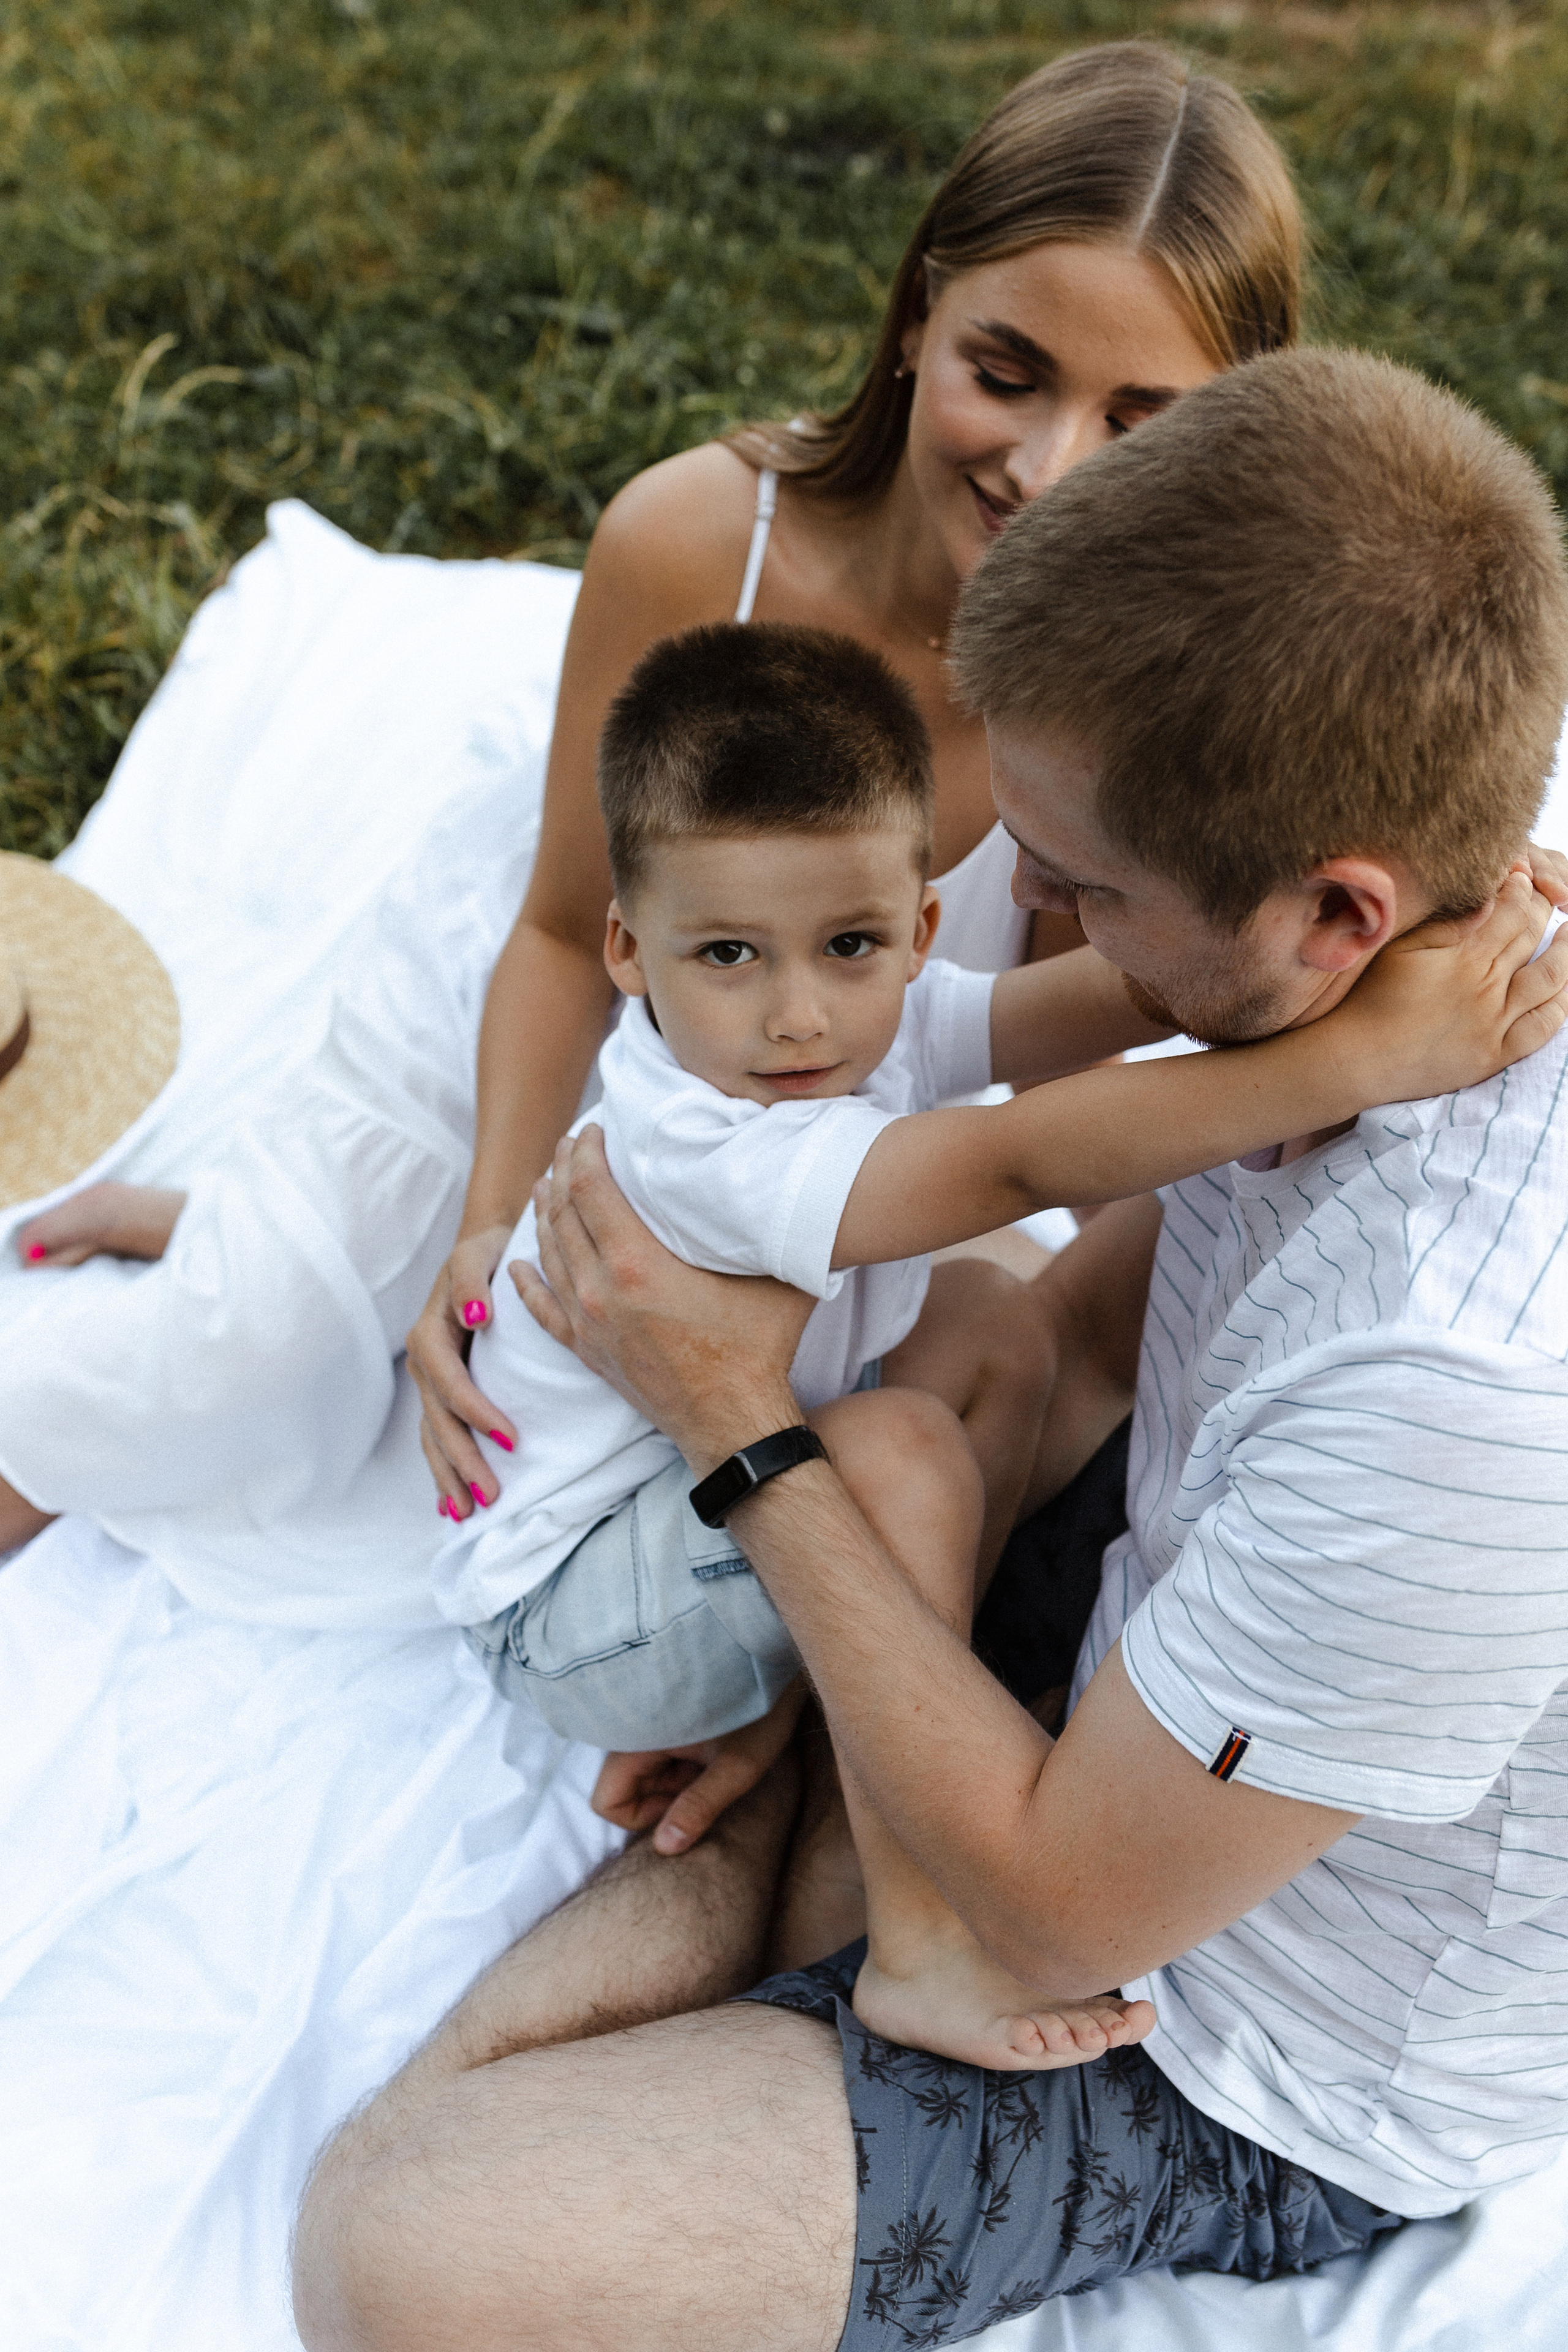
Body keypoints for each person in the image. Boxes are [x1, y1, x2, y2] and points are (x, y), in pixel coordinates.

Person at [292, 347, 1568, 2352]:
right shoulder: (1443, 815)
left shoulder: (1464, 1385)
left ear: (1341, 919)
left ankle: (853, 1889)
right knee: (935, 1361)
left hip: (1227, 2013)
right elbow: (1074, 1304)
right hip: (1188, 1619)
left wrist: (733, 1434)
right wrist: (833, 1573)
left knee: (401, 2246)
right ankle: (837, 1823)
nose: (1021, 923)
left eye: (1080, 889)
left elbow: (1068, 1912)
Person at [444, 609, 1559, 2072]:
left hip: (666, 1519)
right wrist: (1366, 1053)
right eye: (725, 954)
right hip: (579, 1604)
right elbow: (1019, 1162)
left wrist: (1394, 921)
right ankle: (914, 1944)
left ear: (916, 926)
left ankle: (859, 1704)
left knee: (982, 1322)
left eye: (848, 944)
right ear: (627, 949)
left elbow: (1099, 1003)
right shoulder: (702, 1131)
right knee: (899, 1439)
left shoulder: (850, 1019)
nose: (792, 1015)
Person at [406, 38, 1306, 1520]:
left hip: (857, 1151)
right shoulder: (696, 544)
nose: (1046, 468)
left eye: (1137, 423)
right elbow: (569, 937)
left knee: (965, 1400)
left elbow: (1061, 1052)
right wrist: (489, 1229)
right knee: (295, 1346)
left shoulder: (1171, 688)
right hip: (592, 1064)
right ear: (912, 319)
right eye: (1002, 375)